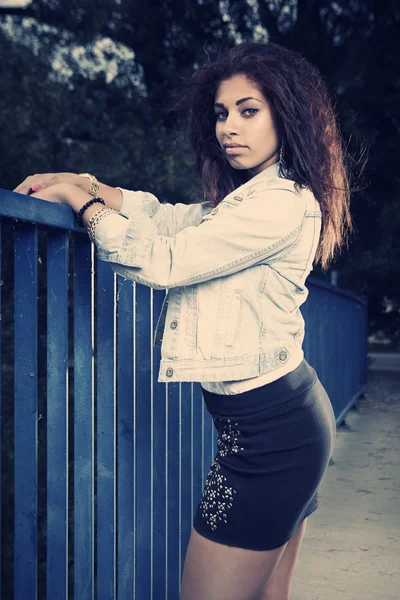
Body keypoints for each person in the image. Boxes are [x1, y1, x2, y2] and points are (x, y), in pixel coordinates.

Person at [14, 41, 352, 600]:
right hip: (279, 422)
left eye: (248, 110)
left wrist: (82, 205)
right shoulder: (252, 197)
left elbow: (164, 260)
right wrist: (86, 182)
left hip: (272, 440)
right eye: (221, 113)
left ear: (285, 113)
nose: (228, 127)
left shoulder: (281, 203)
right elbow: (170, 220)